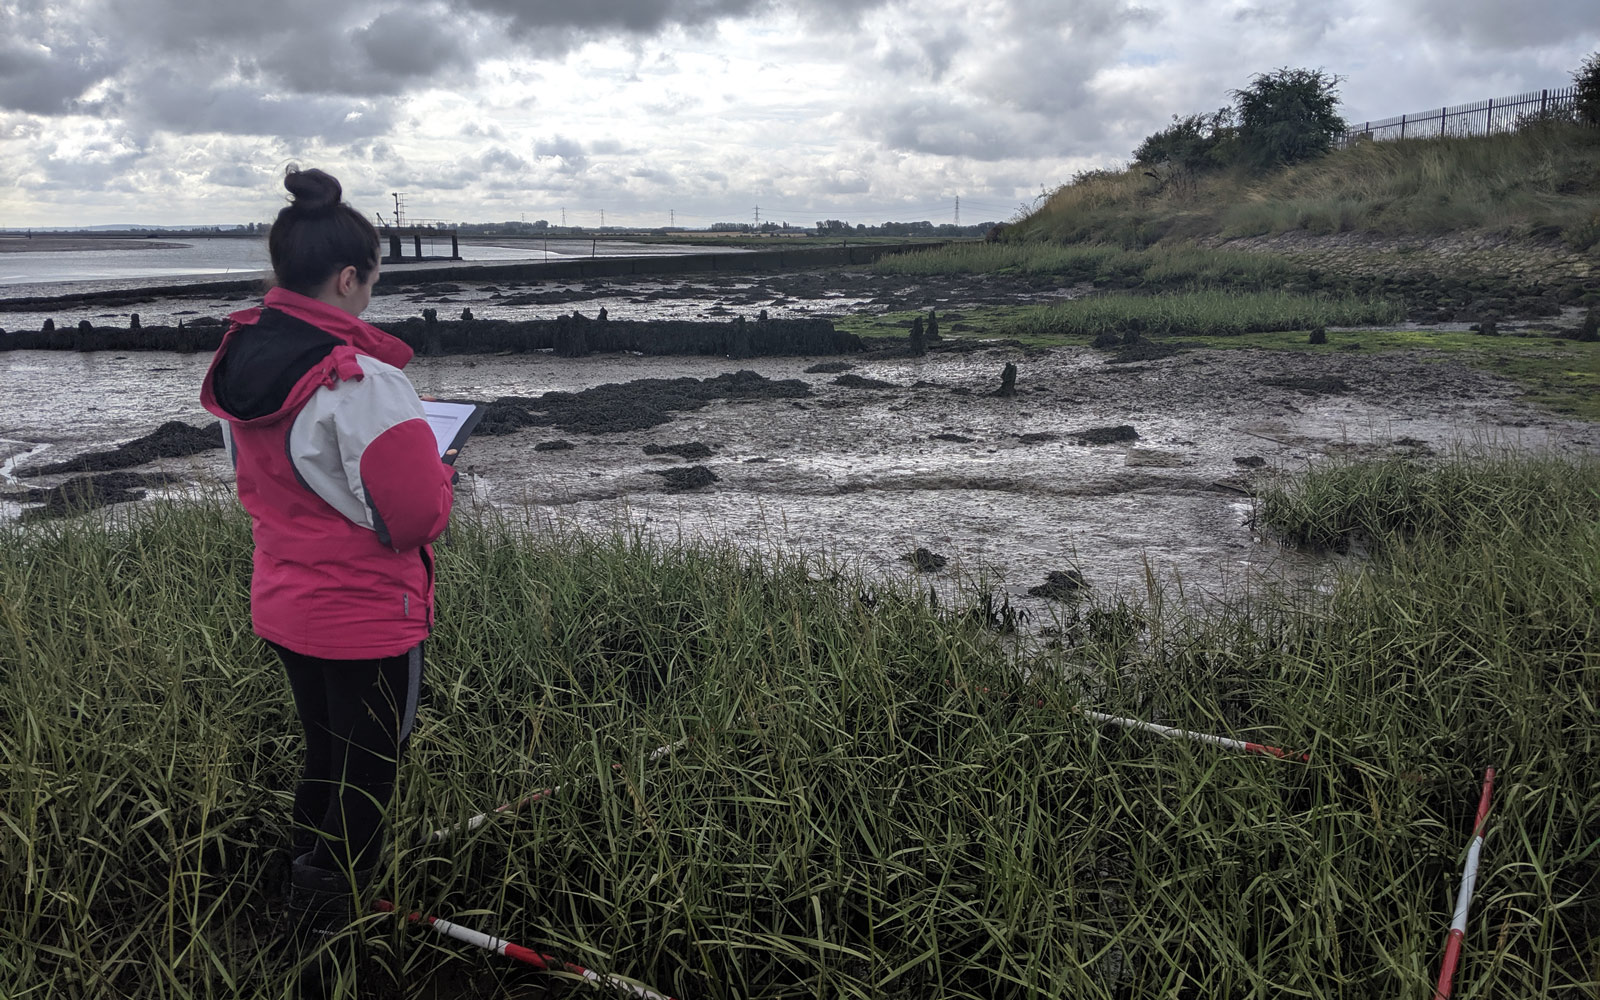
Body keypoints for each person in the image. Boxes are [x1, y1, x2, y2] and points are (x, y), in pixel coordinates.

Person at [200, 167, 455, 994]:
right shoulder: (365, 384)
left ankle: (302, 884)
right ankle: (329, 938)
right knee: (370, 771)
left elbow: (270, 477)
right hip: (367, 615)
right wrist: (442, 473)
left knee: (325, 750)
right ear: (350, 278)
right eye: (374, 280)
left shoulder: (243, 364)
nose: (372, 295)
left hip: (285, 601)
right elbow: (414, 518)